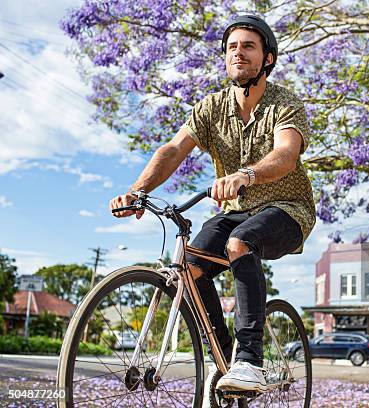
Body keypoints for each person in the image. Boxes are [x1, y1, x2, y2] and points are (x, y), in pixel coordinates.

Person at [109, 14, 316, 396]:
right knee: (190, 265)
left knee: (240, 241)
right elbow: (173, 149)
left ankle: (250, 361)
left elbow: (286, 153)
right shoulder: (212, 108)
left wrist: (246, 175)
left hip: (287, 209)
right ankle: (224, 361)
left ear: (267, 58)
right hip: (236, 210)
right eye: (232, 47)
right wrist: (138, 191)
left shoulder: (284, 103)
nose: (239, 53)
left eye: (249, 46)